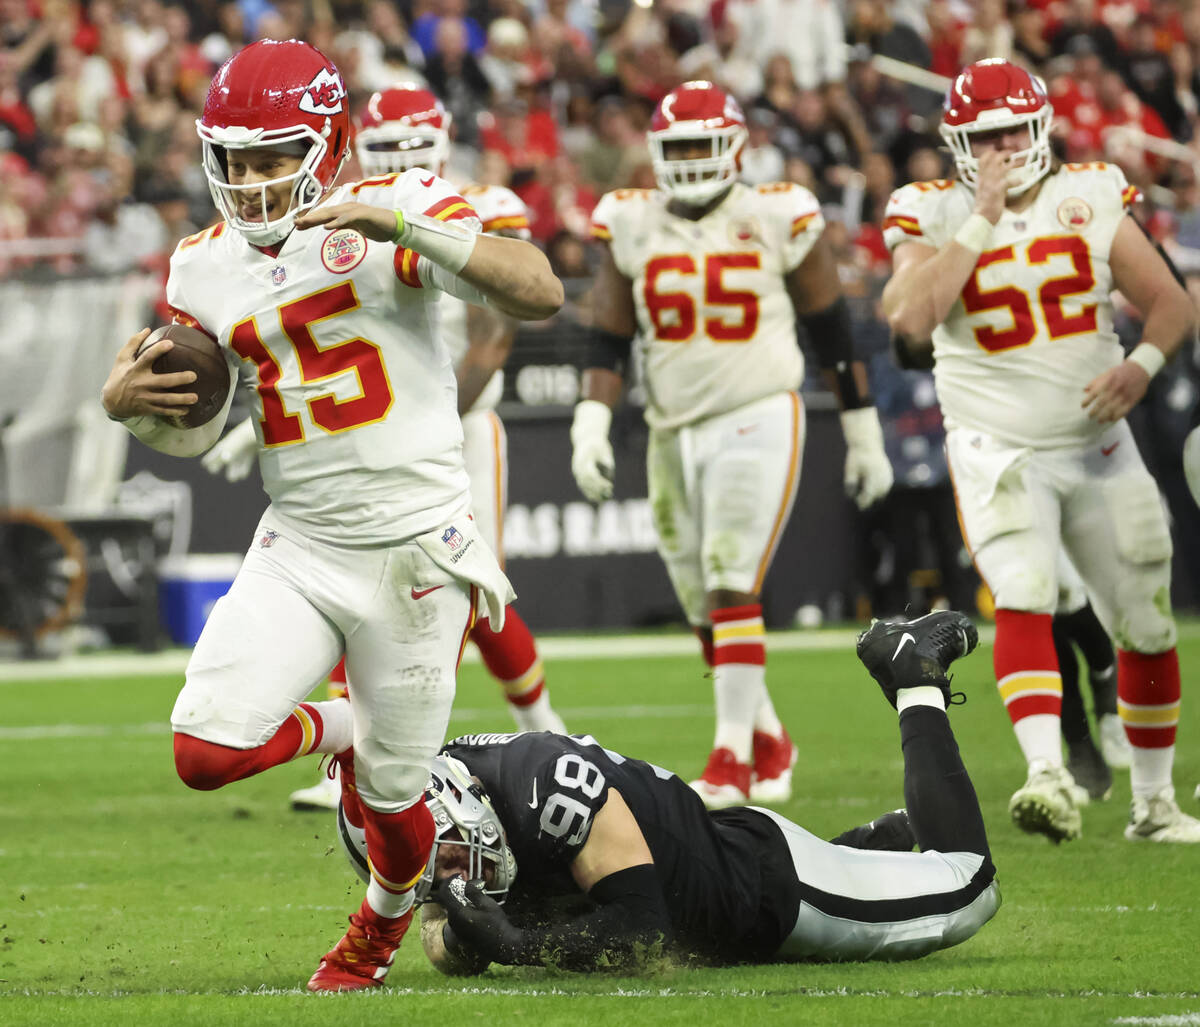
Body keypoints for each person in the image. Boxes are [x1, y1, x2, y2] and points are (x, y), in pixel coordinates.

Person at [100, 38, 563, 992]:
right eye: (235, 158)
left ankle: (378, 928)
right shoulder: (200, 268)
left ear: (331, 142)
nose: (253, 179)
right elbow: (190, 424)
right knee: (202, 751)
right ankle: (338, 726)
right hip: (301, 542)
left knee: (397, 807)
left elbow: (539, 290)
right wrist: (129, 410)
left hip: (415, 552)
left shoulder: (399, 207)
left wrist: (405, 224)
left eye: (275, 156)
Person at [203, 82, 568, 813]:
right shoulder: (319, 224)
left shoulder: (446, 206)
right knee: (347, 584)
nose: (402, 155)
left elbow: (515, 314)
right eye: (389, 143)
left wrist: (414, 425)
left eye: (413, 142)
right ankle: (363, 745)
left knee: (474, 603)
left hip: (452, 427)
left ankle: (546, 732)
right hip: (363, 430)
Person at [882, 58, 1200, 843]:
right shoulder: (929, 207)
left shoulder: (1087, 194)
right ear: (957, 140)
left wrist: (1141, 366)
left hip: (1095, 442)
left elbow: (1170, 303)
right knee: (1023, 590)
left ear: (1039, 128)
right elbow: (909, 321)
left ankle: (1154, 804)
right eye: (981, 136)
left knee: (1147, 621)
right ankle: (1047, 772)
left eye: (1009, 132)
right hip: (997, 442)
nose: (997, 148)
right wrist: (980, 219)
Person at [336, 610, 998, 972]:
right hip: (710, 856)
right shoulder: (440, 784)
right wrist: (458, 933)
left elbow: (641, 927)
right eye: (429, 867)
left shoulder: (548, 789)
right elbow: (442, 932)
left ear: (463, 800)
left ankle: (914, 671)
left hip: (772, 894)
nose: (452, 871)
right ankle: (871, 843)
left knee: (970, 888)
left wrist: (508, 941)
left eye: (446, 851)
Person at [573, 80, 893, 809]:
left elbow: (831, 331)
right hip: (670, 424)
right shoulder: (632, 220)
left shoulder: (774, 212)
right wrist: (589, 420)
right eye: (676, 146)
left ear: (736, 147)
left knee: (729, 578)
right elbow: (609, 331)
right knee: (699, 601)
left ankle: (730, 759)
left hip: (756, 411)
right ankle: (770, 737)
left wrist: (861, 431)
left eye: (700, 143)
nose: (688, 159)